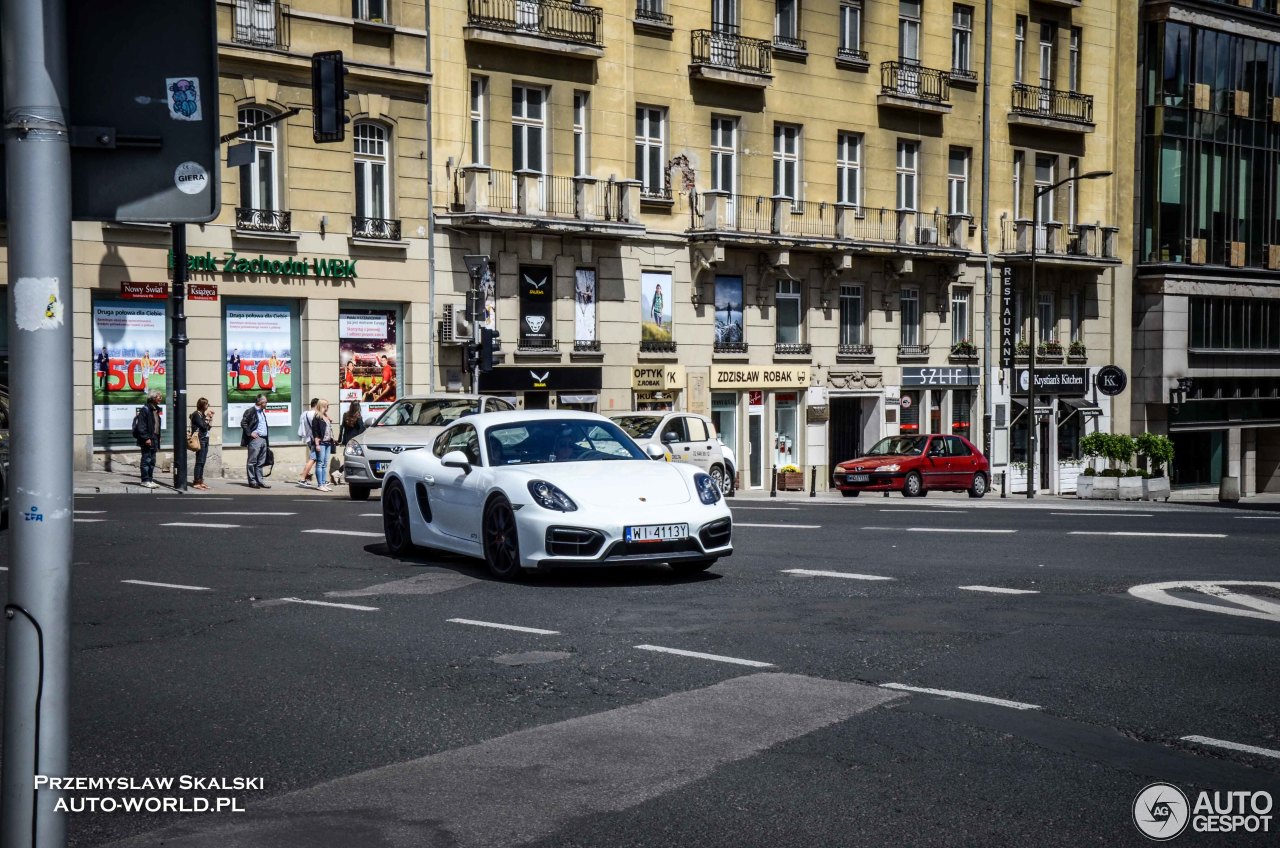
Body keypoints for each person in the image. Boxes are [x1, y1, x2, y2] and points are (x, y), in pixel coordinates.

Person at [132, 391, 164, 489]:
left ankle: (150, 479)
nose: (160, 398)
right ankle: (145, 480)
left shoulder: (155, 410)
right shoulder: (145, 410)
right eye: (159, 397)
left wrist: (159, 436)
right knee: (146, 459)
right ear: (153, 398)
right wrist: (146, 438)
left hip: (154, 438)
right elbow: (142, 426)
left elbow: (155, 426)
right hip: (148, 439)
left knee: (152, 460)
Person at [240, 393, 271, 489]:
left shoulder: (262, 412)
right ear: (260, 402)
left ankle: (260, 481)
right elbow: (243, 423)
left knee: (261, 462)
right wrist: (250, 433)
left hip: (263, 439)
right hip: (255, 440)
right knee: (252, 461)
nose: (266, 404)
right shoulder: (250, 411)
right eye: (265, 402)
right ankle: (252, 481)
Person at [310, 399, 335, 493]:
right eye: (327, 406)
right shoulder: (317, 417)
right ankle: (320, 484)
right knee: (320, 463)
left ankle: (324, 483)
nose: (328, 408)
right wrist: (317, 444)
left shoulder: (325, 416)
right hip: (321, 443)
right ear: (323, 406)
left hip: (328, 442)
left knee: (325, 463)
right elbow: (315, 431)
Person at [190, 397, 214, 490]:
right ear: (202, 405)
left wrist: (210, 418)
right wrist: (207, 417)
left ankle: (200, 481)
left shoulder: (202, 415)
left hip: (205, 439)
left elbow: (208, 427)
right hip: (200, 439)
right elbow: (204, 427)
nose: (208, 406)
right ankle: (196, 482)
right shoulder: (196, 415)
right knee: (199, 461)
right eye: (207, 404)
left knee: (203, 461)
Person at [297, 398, 319, 486]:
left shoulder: (304, 414)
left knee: (316, 459)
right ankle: (302, 478)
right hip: (315, 439)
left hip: (308, 438)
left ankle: (316, 479)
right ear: (317, 405)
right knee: (313, 458)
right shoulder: (316, 414)